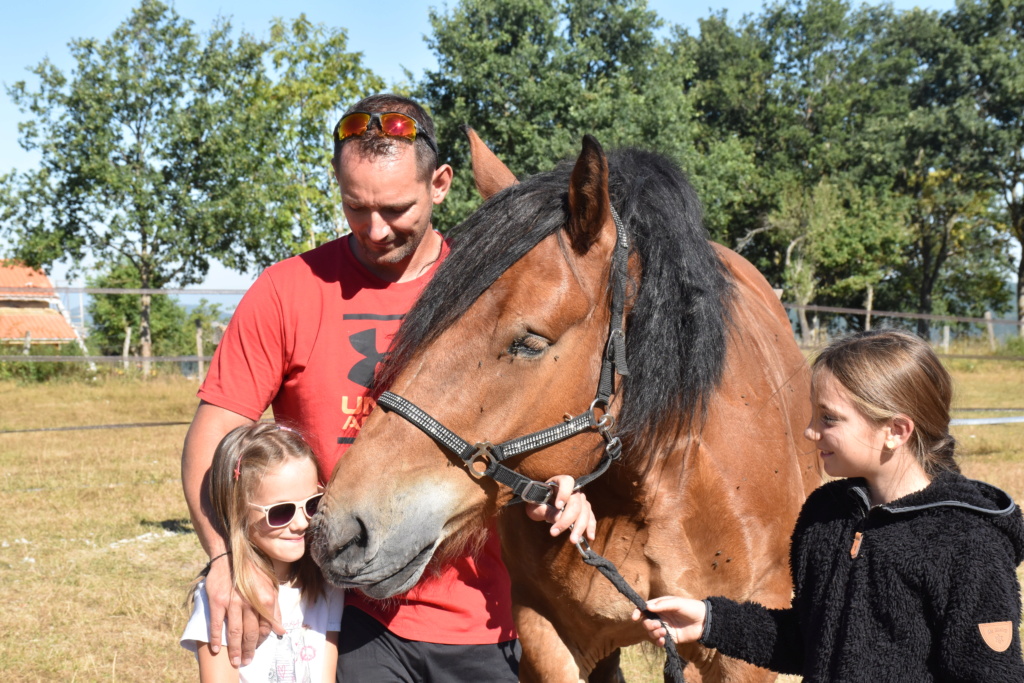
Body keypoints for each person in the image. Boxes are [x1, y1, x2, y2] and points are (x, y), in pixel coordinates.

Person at [181, 93, 595, 680]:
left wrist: (560, 492)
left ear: (442, 184)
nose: (375, 230)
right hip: (345, 613)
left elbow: (541, 421)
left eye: (397, 208)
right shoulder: (287, 290)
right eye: (356, 207)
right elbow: (214, 431)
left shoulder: (492, 295)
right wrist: (224, 558)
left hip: (486, 614)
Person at [633, 329, 1024, 681]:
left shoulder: (969, 545)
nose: (810, 430)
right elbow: (810, 639)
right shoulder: (827, 515)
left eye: (829, 418)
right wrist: (711, 621)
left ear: (896, 431)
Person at [180, 423, 344, 682]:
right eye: (281, 512)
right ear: (238, 512)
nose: (302, 523)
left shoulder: (328, 586)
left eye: (313, 504)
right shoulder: (221, 597)